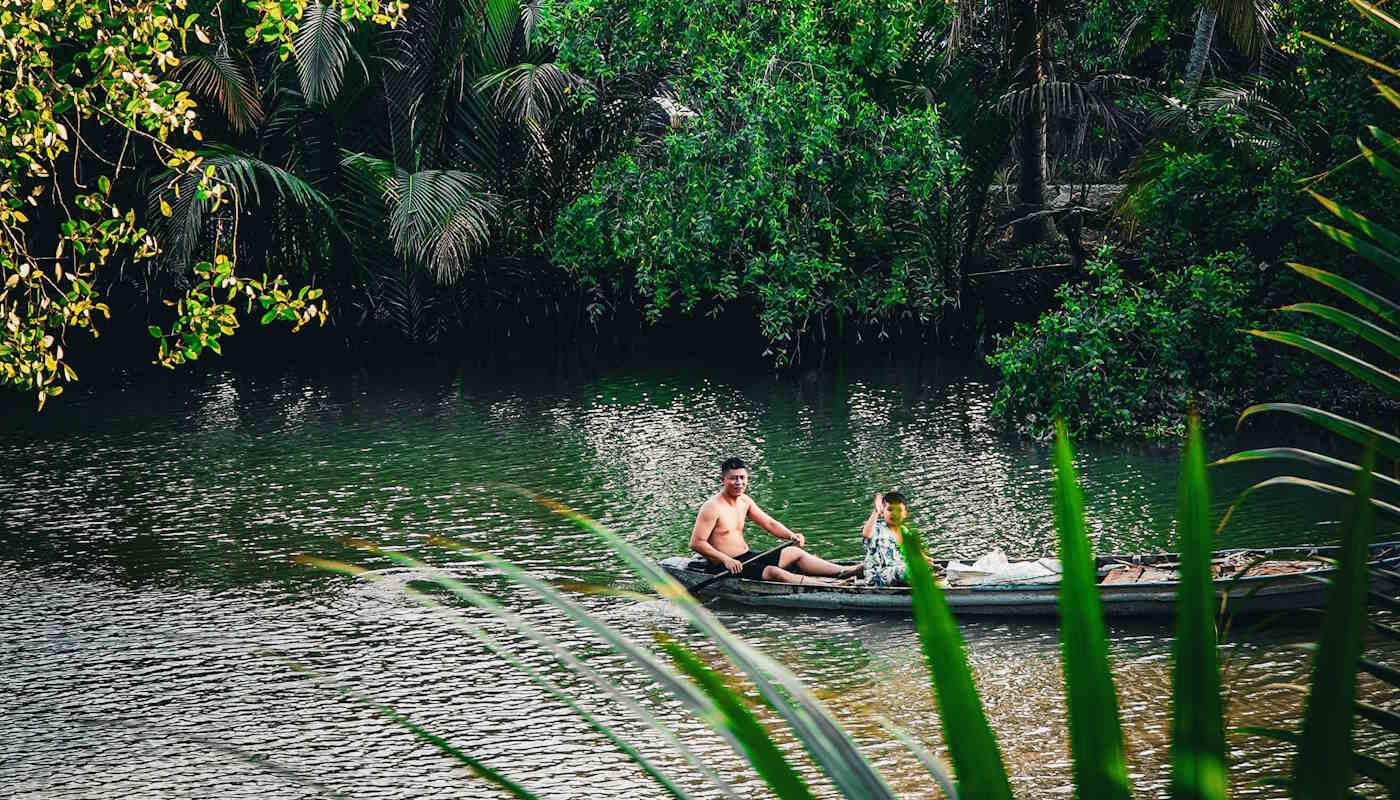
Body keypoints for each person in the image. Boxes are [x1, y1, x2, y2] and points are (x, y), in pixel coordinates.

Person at [690, 457, 861, 584]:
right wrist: (725, 559)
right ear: (723, 480)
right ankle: (830, 585)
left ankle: (844, 571)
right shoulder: (712, 507)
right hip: (724, 565)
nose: (739, 482)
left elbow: (769, 524)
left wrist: (790, 536)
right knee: (773, 572)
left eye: (743, 478)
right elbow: (697, 543)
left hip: (747, 557)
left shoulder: (744, 501)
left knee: (795, 552)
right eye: (733, 478)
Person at [860, 491, 909, 587]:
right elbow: (866, 534)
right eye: (890, 510)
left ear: (905, 514)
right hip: (879, 575)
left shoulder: (904, 532)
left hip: (899, 570)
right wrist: (876, 511)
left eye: (899, 510)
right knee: (907, 571)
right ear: (883, 513)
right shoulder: (878, 529)